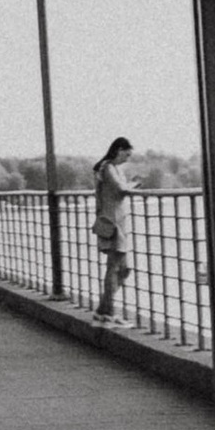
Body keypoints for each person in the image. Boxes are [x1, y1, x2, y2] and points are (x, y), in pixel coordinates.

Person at [92, 135, 135, 324]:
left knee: (124, 269)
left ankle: (102, 309)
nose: (128, 159)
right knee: (114, 268)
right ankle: (108, 313)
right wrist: (134, 185)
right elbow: (120, 189)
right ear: (119, 150)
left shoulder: (113, 168)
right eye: (127, 154)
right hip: (113, 223)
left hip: (116, 222)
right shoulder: (108, 168)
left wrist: (129, 184)